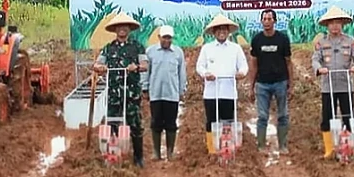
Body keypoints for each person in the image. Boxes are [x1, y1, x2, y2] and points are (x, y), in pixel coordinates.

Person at [93, 13, 148, 167]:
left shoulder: (137, 46)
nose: (122, 29)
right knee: (112, 124)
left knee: (135, 124)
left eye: (125, 26)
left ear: (129, 29)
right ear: (115, 29)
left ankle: (138, 158)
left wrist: (136, 67)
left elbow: (145, 65)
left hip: (131, 93)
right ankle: (113, 155)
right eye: (119, 26)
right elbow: (97, 65)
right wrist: (100, 68)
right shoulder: (108, 48)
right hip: (113, 94)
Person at [311, 6, 354, 159]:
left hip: (345, 85)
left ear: (342, 24)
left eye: (338, 23)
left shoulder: (350, 41)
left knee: (348, 116)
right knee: (327, 116)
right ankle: (329, 149)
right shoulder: (321, 43)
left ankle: (347, 148)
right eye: (332, 23)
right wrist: (319, 68)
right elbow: (315, 59)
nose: (335, 26)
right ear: (327, 25)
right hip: (328, 86)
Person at [195, 14, 248, 155]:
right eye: (218, 29)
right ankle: (212, 149)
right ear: (214, 32)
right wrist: (206, 74)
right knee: (211, 120)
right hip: (211, 93)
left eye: (224, 29)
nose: (221, 32)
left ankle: (226, 148)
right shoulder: (207, 48)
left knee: (227, 121)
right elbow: (200, 66)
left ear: (228, 31)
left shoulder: (235, 48)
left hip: (229, 91)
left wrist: (241, 73)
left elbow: (244, 66)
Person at [249, 9, 293, 154]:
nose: (267, 22)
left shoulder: (283, 39)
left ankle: (283, 145)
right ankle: (261, 145)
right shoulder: (257, 40)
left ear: (274, 21)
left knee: (283, 115)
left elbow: (288, 62)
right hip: (262, 84)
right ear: (261, 21)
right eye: (264, 19)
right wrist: (251, 86)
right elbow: (254, 63)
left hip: (280, 82)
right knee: (262, 116)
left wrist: (290, 84)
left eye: (269, 19)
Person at [143, 24, 186, 161]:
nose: (167, 40)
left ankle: (170, 152)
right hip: (155, 93)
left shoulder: (178, 53)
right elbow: (145, 73)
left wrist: (181, 90)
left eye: (169, 38)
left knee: (171, 123)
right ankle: (156, 152)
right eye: (164, 37)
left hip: (172, 94)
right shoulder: (150, 52)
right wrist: (145, 88)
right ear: (159, 37)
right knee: (156, 122)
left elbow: (182, 74)